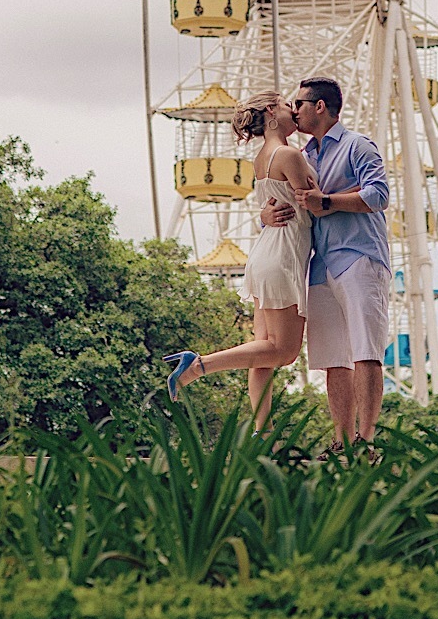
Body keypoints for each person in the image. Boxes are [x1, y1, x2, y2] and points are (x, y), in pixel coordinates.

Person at [164, 92, 315, 424]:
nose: (294, 110)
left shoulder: (263, 157)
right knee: (284, 352)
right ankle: (198, 366)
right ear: (270, 113)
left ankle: (263, 434)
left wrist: (264, 216)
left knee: (262, 351)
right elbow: (314, 202)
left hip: (265, 253)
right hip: (284, 256)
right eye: (287, 105)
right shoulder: (288, 154)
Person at [261, 75, 391, 450]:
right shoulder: (302, 157)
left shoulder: (358, 146)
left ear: (320, 106)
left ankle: (366, 440)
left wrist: (328, 202)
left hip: (360, 257)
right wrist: (264, 218)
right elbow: (280, 203)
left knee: (366, 350)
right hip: (320, 265)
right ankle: (341, 440)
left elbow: (379, 194)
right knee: (335, 358)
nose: (294, 110)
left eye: (299, 104)